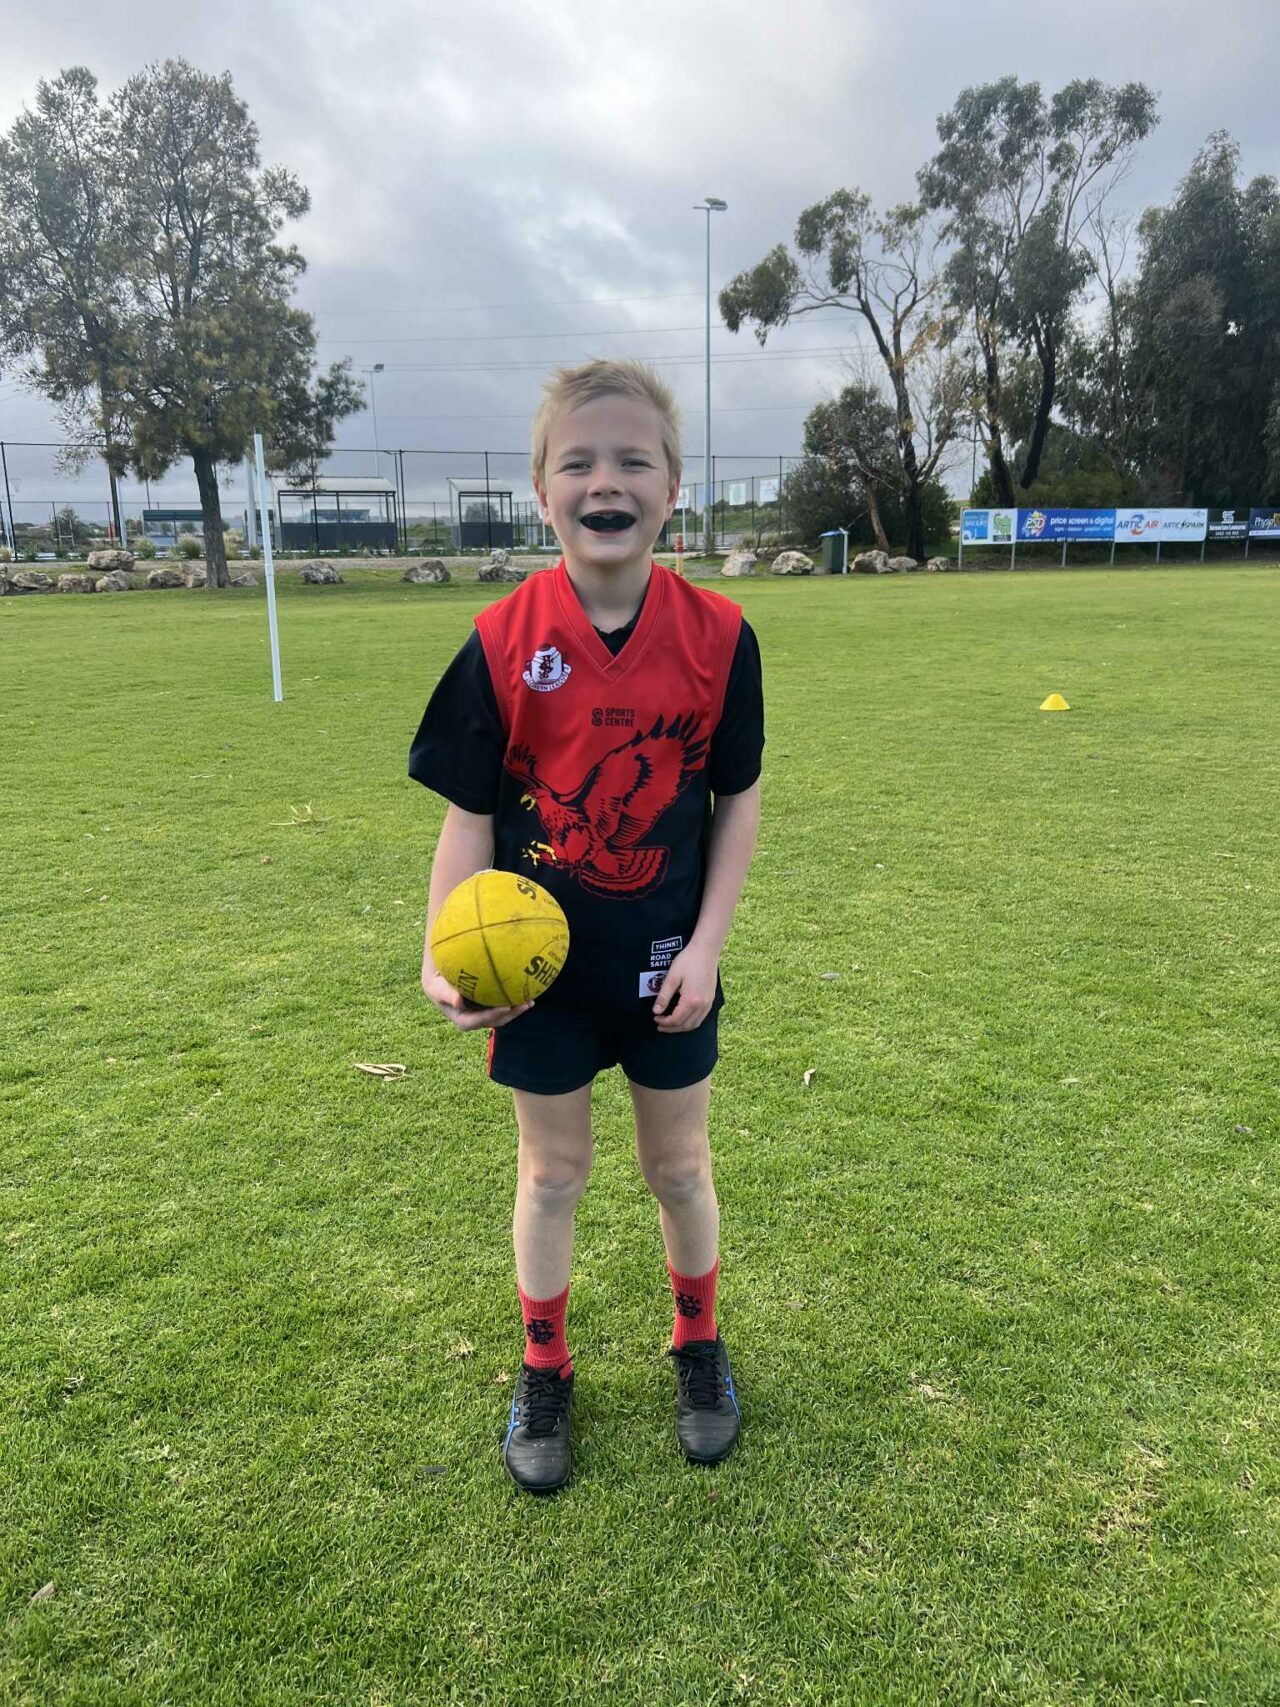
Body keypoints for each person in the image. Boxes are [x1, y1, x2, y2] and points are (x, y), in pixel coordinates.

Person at [408, 359, 763, 1494]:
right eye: (579, 462)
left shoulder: (720, 636)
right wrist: (441, 954)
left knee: (679, 1165)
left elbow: (737, 802)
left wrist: (706, 947)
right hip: (536, 976)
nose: (605, 481)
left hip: (665, 964)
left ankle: (697, 1343)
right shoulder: (501, 639)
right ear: (541, 489)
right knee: (553, 1173)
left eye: (632, 461)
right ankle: (544, 1364)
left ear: (672, 487)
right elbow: (469, 818)